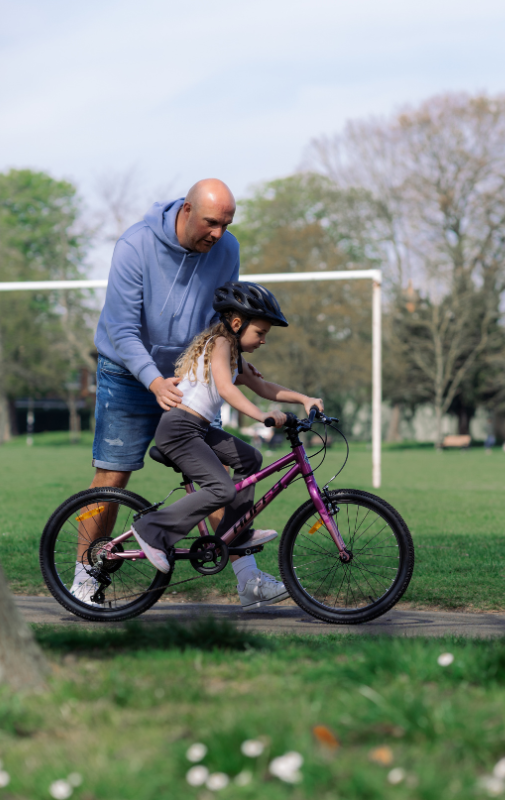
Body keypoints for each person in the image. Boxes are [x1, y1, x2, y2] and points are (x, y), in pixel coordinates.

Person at [71, 180, 282, 604]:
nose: (218, 234)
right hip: (129, 373)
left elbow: (223, 317)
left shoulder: (227, 249)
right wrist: (152, 379)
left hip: (190, 376)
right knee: (112, 474)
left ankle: (248, 580)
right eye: (210, 223)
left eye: (226, 224)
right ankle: (86, 576)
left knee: (215, 474)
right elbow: (122, 328)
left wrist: (232, 360)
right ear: (186, 210)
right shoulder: (136, 245)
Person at [128, 281, 324, 609]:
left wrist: (304, 399)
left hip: (199, 430)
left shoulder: (234, 353)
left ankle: (236, 532)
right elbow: (226, 388)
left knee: (250, 458)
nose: (263, 340)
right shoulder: (220, 343)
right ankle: (152, 531)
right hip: (179, 429)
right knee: (221, 489)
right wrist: (261, 416)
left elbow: (262, 386)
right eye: (260, 332)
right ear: (237, 324)